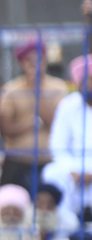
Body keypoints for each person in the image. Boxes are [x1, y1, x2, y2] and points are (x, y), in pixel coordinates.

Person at [0, 39, 69, 192]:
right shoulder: (11, 90)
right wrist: (30, 124)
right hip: (17, 161)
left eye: (39, 60)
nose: (35, 65)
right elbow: (5, 130)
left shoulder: (58, 88)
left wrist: (37, 91)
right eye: (29, 61)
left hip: (49, 162)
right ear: (22, 63)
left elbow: (58, 124)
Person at [43, 55, 92, 222]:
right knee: (51, 173)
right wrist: (73, 170)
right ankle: (66, 229)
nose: (88, 85)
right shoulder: (68, 105)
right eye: (85, 81)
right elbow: (58, 144)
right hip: (73, 169)